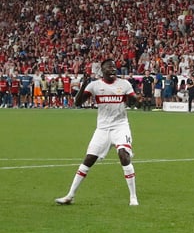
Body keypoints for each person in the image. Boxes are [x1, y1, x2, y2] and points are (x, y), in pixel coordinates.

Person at [55, 59, 141, 206]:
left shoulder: (124, 84)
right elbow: (78, 103)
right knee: (88, 160)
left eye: (114, 67)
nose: (113, 69)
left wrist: (137, 99)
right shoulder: (95, 85)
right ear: (102, 70)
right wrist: (83, 85)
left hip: (120, 126)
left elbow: (133, 101)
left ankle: (133, 197)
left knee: (123, 155)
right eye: (109, 67)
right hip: (102, 129)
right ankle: (70, 195)